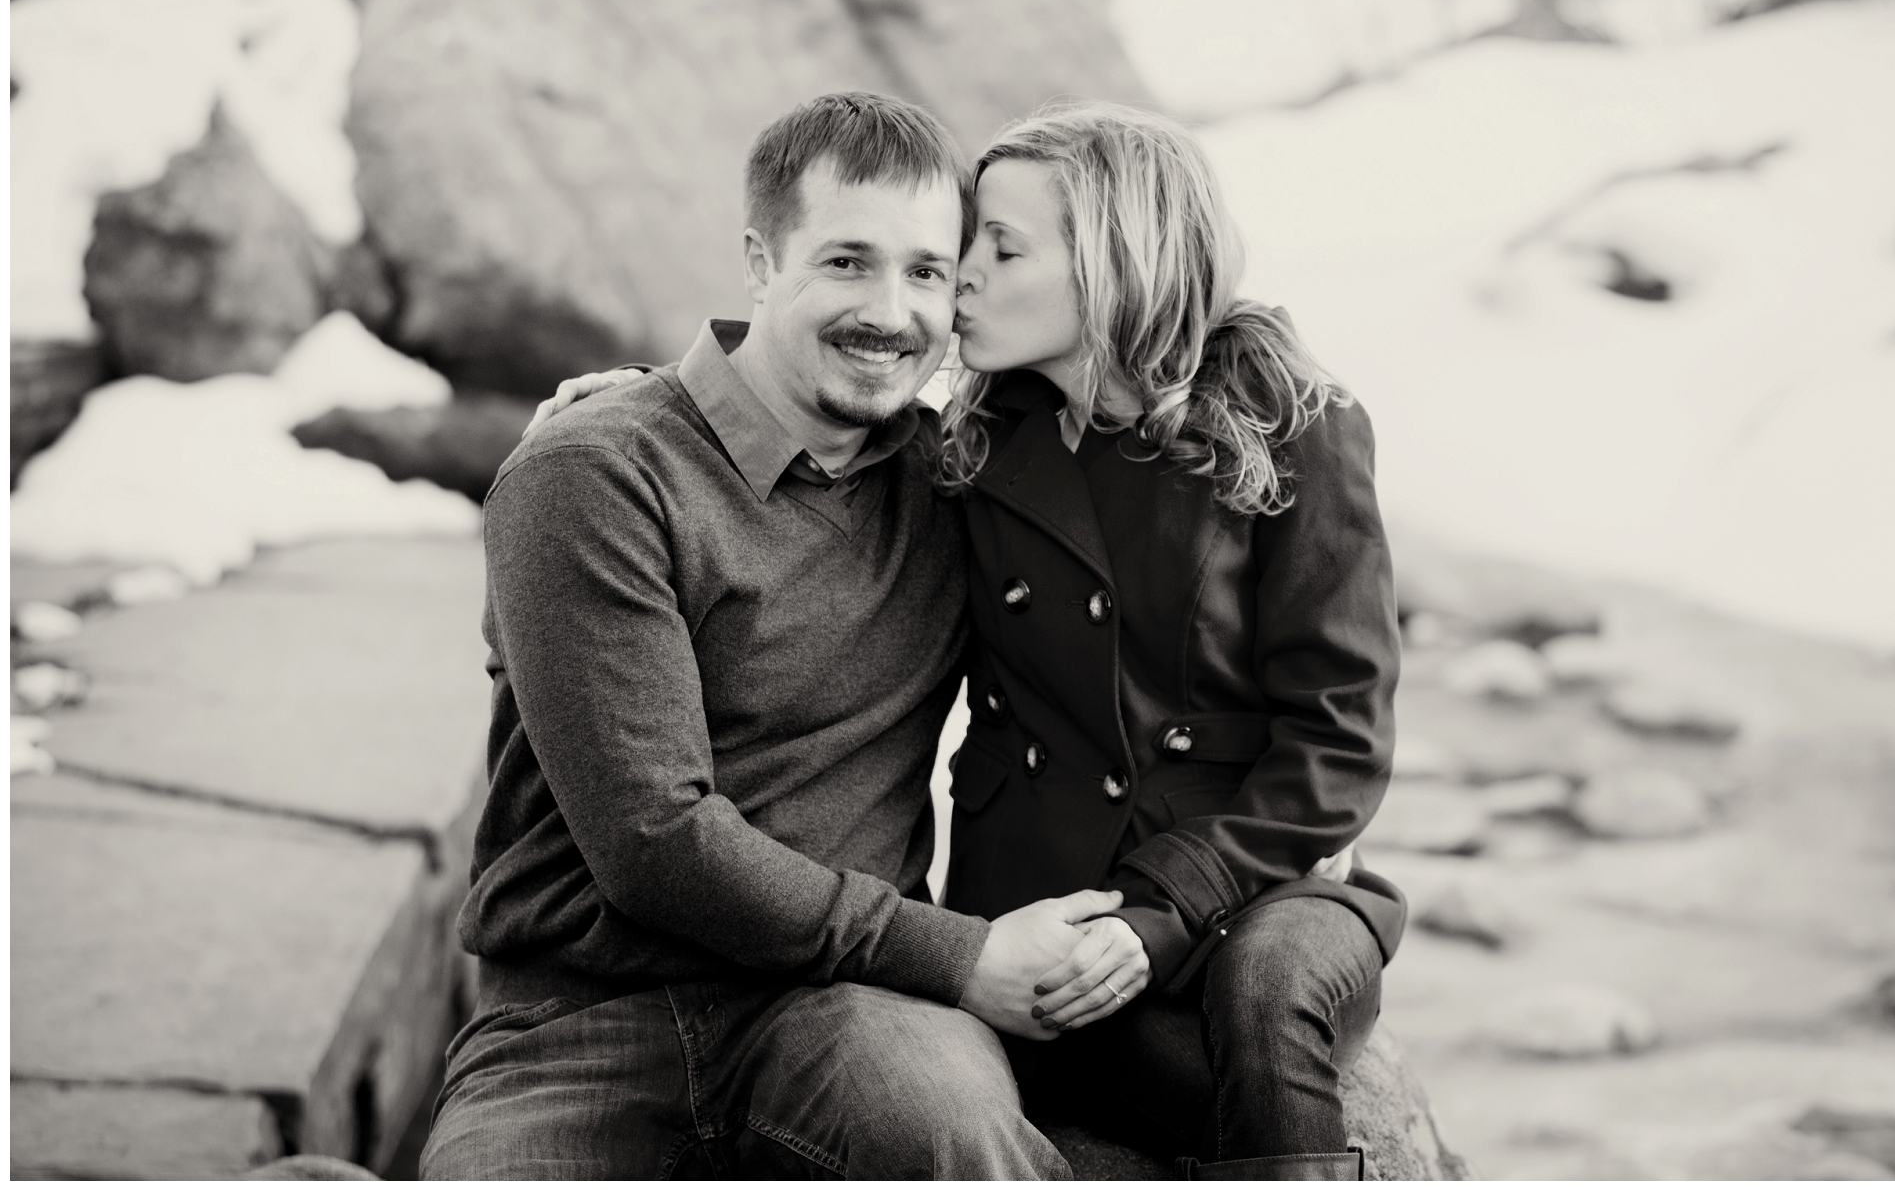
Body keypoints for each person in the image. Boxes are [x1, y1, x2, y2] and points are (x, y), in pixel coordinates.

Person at [541, 101, 1407, 1180]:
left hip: (1192, 896)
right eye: (963, 250)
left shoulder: (1274, 426)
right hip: (1005, 910)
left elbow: (1339, 727)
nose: (950, 291)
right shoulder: (976, 449)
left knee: (1258, 1003)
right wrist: (639, 409)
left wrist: (1191, 891)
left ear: (1111, 258)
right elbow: (794, 429)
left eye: (982, 253)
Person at [421, 92, 1111, 1180]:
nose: (892, 311)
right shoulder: (595, 474)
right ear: (759, 257)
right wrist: (966, 955)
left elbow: (1154, 569)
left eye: (928, 271)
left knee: (953, 1135)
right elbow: (656, 840)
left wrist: (1293, 798)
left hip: (853, 1006)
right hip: (579, 1023)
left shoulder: (960, 481)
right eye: (847, 261)